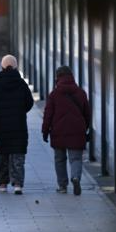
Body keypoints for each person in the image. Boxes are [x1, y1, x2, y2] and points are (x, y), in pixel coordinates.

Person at [0, 55, 34, 194]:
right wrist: (20, 112)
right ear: (16, 66)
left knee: (3, 154)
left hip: (1, 126)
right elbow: (29, 102)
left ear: (2, 66)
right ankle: (17, 184)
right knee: (18, 154)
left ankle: (2, 184)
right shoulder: (21, 84)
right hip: (19, 125)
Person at [41, 66, 91, 195]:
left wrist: (45, 131)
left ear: (57, 78)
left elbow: (48, 115)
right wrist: (85, 128)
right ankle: (75, 177)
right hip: (77, 131)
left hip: (58, 131)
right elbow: (87, 114)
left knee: (60, 159)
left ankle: (62, 186)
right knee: (76, 159)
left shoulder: (54, 94)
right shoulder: (81, 93)